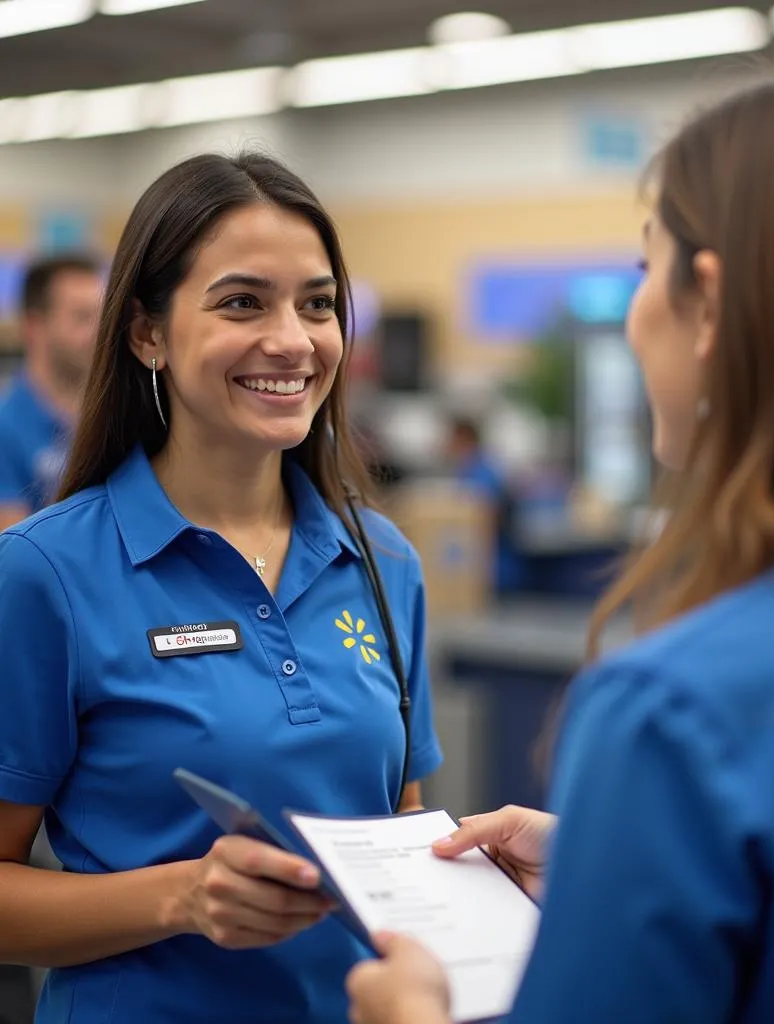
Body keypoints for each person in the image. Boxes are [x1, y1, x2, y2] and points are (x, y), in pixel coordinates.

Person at [345, 53, 774, 1024]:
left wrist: (408, 1014)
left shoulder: (676, 709)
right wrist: (622, 857)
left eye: (642, 265)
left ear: (706, 302)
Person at [0, 152, 443, 1024]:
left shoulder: (385, 562)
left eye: (318, 304)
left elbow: (400, 831)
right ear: (146, 333)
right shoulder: (45, 574)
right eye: (243, 302)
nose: (292, 339)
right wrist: (184, 898)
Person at [0, 253, 103, 529]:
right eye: (82, 318)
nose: (100, 333)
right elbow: (11, 556)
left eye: (102, 317)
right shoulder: (6, 428)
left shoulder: (110, 418)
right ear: (34, 326)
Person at [445, 415, 520, 592]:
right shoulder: (468, 469)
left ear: (464, 439)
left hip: (493, 568)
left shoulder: (481, 470)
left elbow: (487, 515)